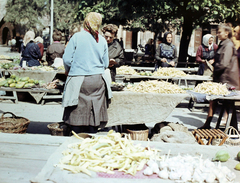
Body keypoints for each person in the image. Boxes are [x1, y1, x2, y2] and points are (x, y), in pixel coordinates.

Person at [62, 12, 112, 134]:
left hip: (79, 79)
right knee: (94, 105)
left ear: (86, 22)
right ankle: (92, 132)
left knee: (77, 106)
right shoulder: (102, 40)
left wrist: (69, 70)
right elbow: (105, 64)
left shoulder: (76, 37)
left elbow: (67, 59)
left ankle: (77, 132)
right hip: (97, 80)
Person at [198, 23, 240, 129]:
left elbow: (224, 64)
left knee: (228, 105)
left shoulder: (228, 45)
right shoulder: (224, 43)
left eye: (219, 32)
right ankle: (210, 124)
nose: (217, 34)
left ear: (226, 33)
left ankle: (233, 128)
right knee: (220, 102)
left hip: (227, 80)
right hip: (222, 78)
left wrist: (214, 69)